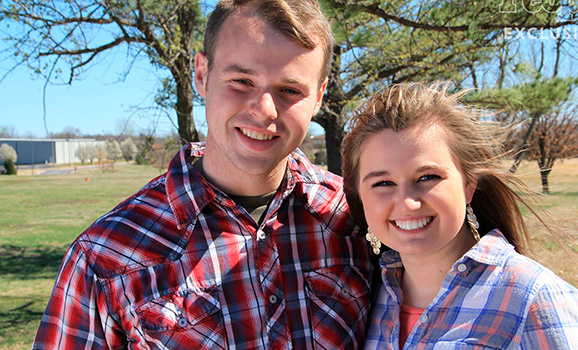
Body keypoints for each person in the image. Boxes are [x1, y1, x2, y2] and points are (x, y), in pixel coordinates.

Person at [33, 1, 373, 348]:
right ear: (201, 75)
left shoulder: (360, 216)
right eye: (241, 80)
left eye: (290, 90)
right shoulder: (106, 256)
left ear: (318, 96)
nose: (264, 110)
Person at [341, 82, 578, 349]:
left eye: (427, 177)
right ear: (361, 197)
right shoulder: (367, 298)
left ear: (469, 185)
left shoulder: (537, 300)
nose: (407, 202)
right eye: (382, 183)